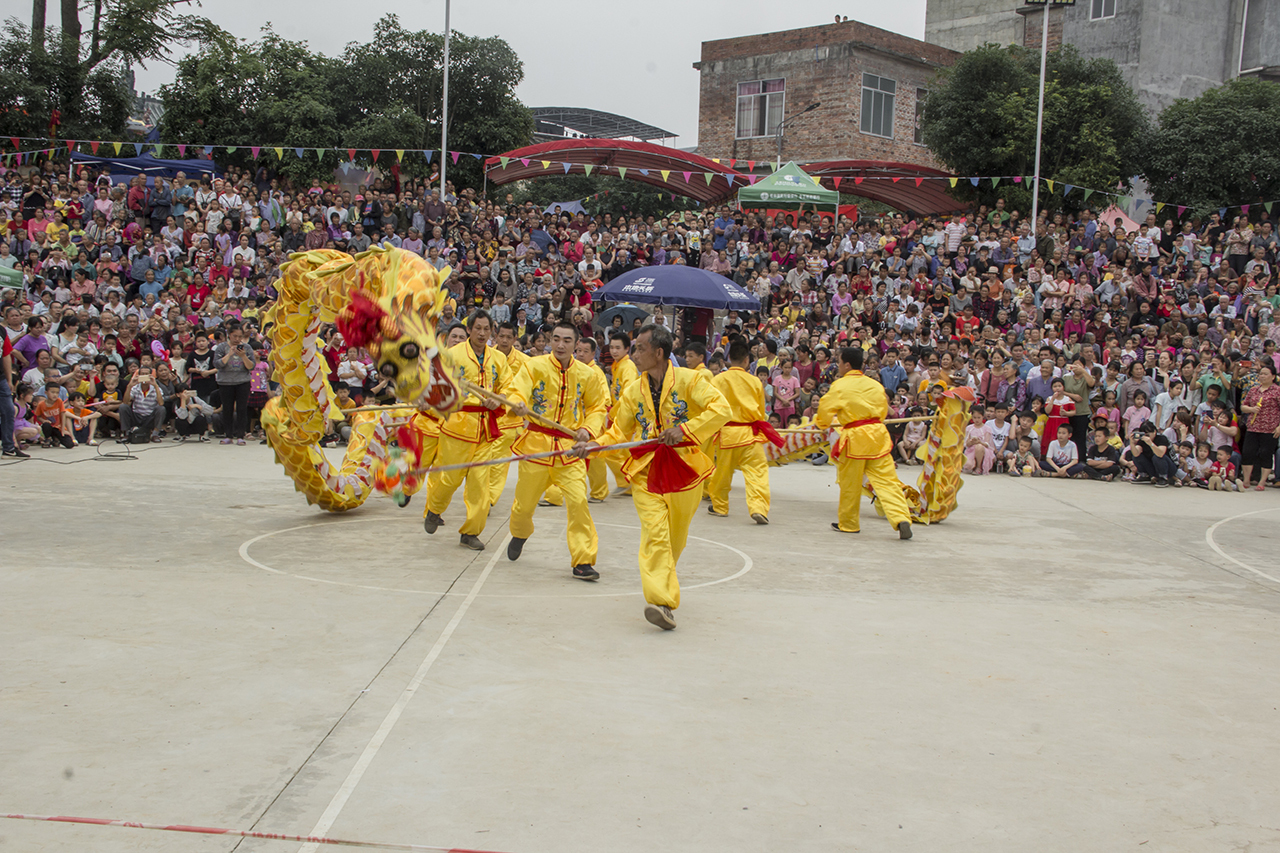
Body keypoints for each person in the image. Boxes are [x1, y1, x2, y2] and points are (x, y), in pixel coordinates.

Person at [579, 324, 729, 630]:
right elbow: (619, 432)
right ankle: (661, 601)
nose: (634, 353)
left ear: (659, 352)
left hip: (685, 469)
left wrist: (685, 429)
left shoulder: (691, 379)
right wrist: (593, 445)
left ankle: (663, 585)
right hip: (646, 471)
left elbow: (721, 409)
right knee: (654, 534)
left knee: (675, 539)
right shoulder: (634, 390)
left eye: (639, 348)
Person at [505, 319, 609, 580]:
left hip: (569, 450)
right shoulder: (534, 366)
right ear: (550, 340)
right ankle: (520, 533)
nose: (560, 345)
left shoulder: (587, 374)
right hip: (537, 447)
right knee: (523, 507)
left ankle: (583, 560)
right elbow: (517, 390)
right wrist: (517, 403)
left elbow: (597, 407)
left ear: (576, 344)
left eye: (567, 340)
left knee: (578, 502)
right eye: (556, 339)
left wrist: (587, 429)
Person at [423, 310, 512, 551]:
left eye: (486, 329)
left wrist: (500, 398)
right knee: (450, 479)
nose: (482, 333)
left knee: (479, 486)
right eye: (478, 328)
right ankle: (434, 509)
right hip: (457, 428)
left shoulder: (498, 358)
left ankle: (471, 532)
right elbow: (436, 384)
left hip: (484, 431)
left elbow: (508, 385)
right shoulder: (451, 355)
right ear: (469, 330)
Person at [816, 347, 914, 539]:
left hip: (854, 438)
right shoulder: (875, 385)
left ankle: (849, 523)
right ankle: (901, 517)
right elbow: (883, 411)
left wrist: (822, 424)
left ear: (846, 364)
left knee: (850, 484)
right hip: (878, 436)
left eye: (839, 361)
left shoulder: (840, 385)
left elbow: (825, 410)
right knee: (887, 482)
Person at [708, 339, 783, 523]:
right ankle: (758, 508)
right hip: (750, 434)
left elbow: (712, 407)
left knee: (722, 474)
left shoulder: (718, 380)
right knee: (757, 473)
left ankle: (720, 506)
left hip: (728, 435)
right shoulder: (755, 381)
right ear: (746, 360)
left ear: (729, 358)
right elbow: (760, 411)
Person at [488, 320, 528, 506]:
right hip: (483, 415)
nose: (504, 340)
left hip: (508, 418)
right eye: (501, 336)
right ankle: (479, 494)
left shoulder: (525, 362)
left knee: (499, 462)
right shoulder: (486, 356)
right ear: (495, 336)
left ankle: (488, 500)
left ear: (515, 338)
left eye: (508, 337)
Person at [604, 331, 639, 496]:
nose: (614, 351)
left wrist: (614, 412)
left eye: (618, 347)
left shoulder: (628, 367)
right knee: (621, 450)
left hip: (623, 414)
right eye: (611, 347)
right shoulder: (617, 365)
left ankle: (627, 481)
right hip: (618, 412)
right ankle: (630, 481)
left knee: (610, 449)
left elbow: (627, 394)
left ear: (627, 349)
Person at [1238, 363, 1280, 490]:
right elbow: (1243, 406)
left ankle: (1262, 481)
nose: (1262, 376)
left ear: (1273, 376)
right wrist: (1251, 409)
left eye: (1265, 374)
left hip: (1270, 428)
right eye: (1261, 374)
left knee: (1266, 454)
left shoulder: (1277, 391)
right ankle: (1246, 479)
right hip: (1253, 426)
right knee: (1248, 452)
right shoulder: (1253, 390)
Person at [214, 321, 255, 444]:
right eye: (234, 336)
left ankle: (241, 436)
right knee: (227, 408)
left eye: (239, 337)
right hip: (225, 382)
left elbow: (251, 366)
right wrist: (229, 354)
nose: (237, 339)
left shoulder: (247, 348)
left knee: (242, 409)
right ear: (229, 335)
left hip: (242, 381)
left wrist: (243, 356)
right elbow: (217, 364)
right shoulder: (221, 347)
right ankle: (228, 435)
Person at [120, 365, 165, 443]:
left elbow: (161, 403)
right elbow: (126, 402)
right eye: (142, 374)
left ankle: (155, 434)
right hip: (136, 415)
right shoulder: (135, 388)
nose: (144, 376)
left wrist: (155, 385)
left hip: (149, 416)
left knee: (161, 409)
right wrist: (129, 386)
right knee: (123, 407)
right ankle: (126, 434)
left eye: (146, 374)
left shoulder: (156, 388)